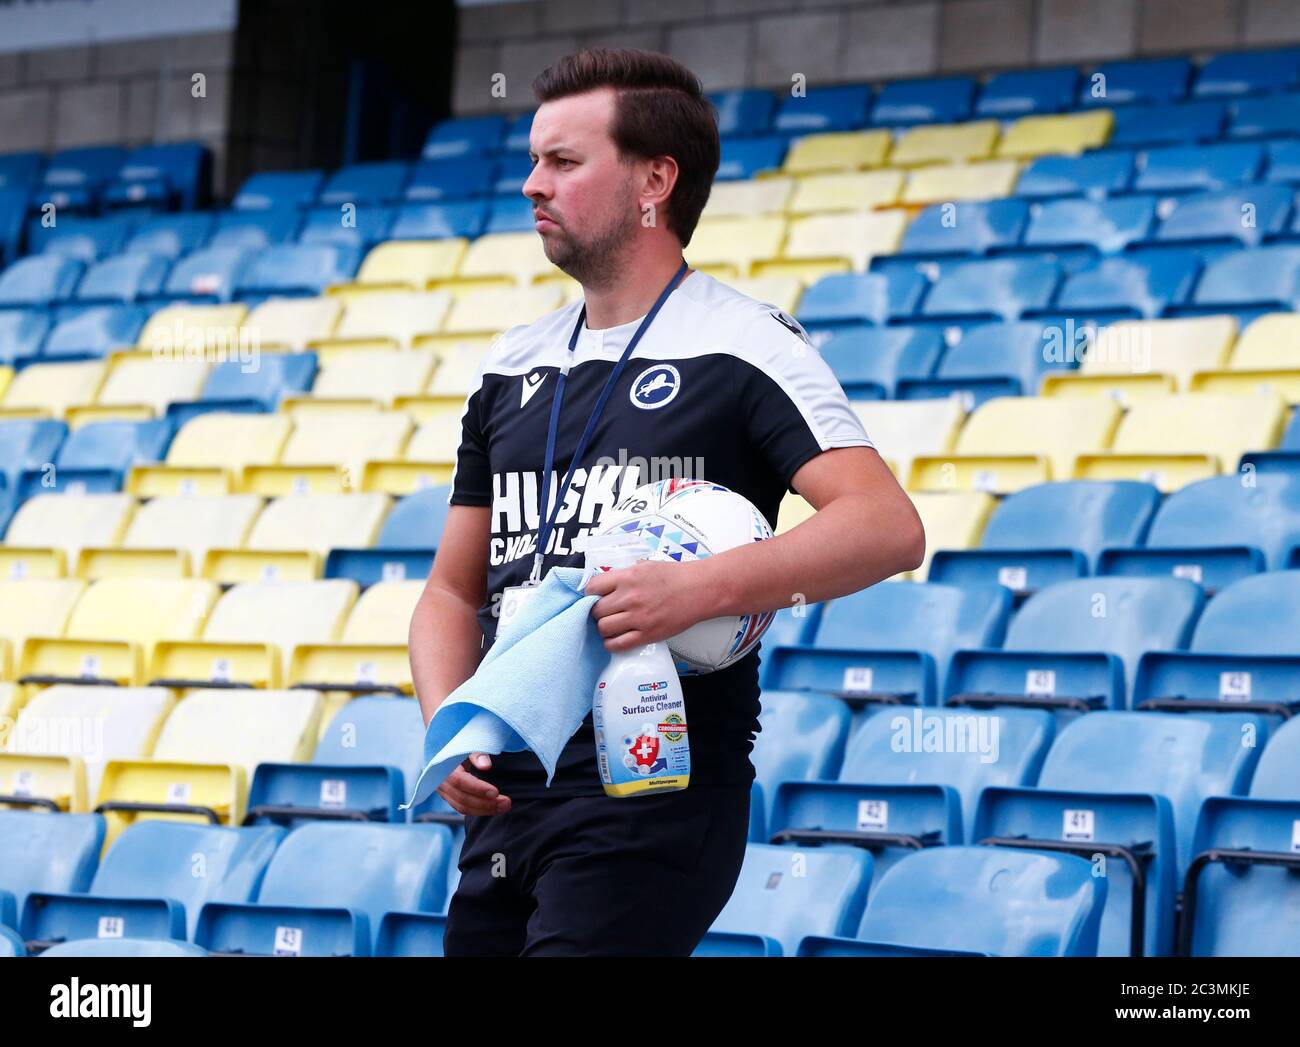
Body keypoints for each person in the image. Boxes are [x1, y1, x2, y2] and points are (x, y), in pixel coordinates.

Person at [408, 48, 925, 957]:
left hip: (653, 793)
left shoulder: (746, 345)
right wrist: (450, 724)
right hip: (507, 796)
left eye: (563, 162)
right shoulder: (510, 365)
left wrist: (703, 588)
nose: (532, 184)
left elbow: (886, 526)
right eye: (533, 160)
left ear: (655, 179)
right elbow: (451, 592)